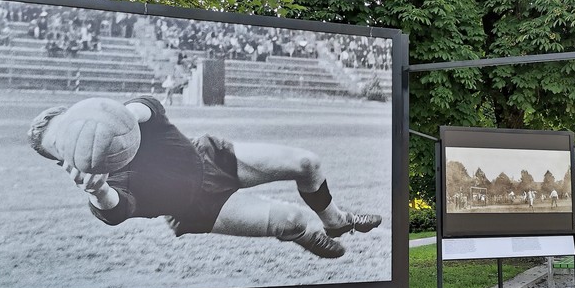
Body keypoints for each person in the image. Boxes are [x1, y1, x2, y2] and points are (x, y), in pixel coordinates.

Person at [28, 96, 381, 259]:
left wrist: (122, 114)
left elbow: (149, 105)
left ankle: (335, 221)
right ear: (59, 159)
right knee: (291, 220)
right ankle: (304, 233)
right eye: (57, 146)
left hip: (212, 156)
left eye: (66, 128)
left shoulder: (118, 122)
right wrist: (99, 189)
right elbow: (115, 211)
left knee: (308, 162)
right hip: (200, 206)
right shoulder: (100, 179)